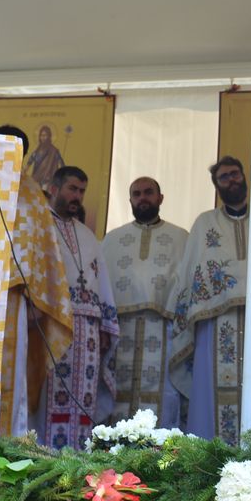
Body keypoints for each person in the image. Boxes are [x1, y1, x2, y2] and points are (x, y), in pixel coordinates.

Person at [169, 156, 251, 442]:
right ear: (217, 186)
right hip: (215, 325)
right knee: (212, 399)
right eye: (224, 177)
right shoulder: (205, 224)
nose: (231, 180)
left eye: (235, 173)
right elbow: (192, 273)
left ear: (244, 176)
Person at [43, 164, 118, 448]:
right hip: (54, 327)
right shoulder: (40, 226)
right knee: (50, 400)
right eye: (72, 189)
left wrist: (106, 327)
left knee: (83, 401)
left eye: (82, 191)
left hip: (87, 334)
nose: (78, 196)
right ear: (54, 189)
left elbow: (104, 284)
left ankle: (79, 463)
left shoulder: (88, 236)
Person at [101, 176, 188, 420]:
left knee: (164, 395)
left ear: (160, 198)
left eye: (149, 192)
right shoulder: (112, 240)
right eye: (136, 194)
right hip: (121, 332)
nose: (143, 198)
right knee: (118, 394)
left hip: (165, 332)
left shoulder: (181, 238)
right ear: (129, 200)